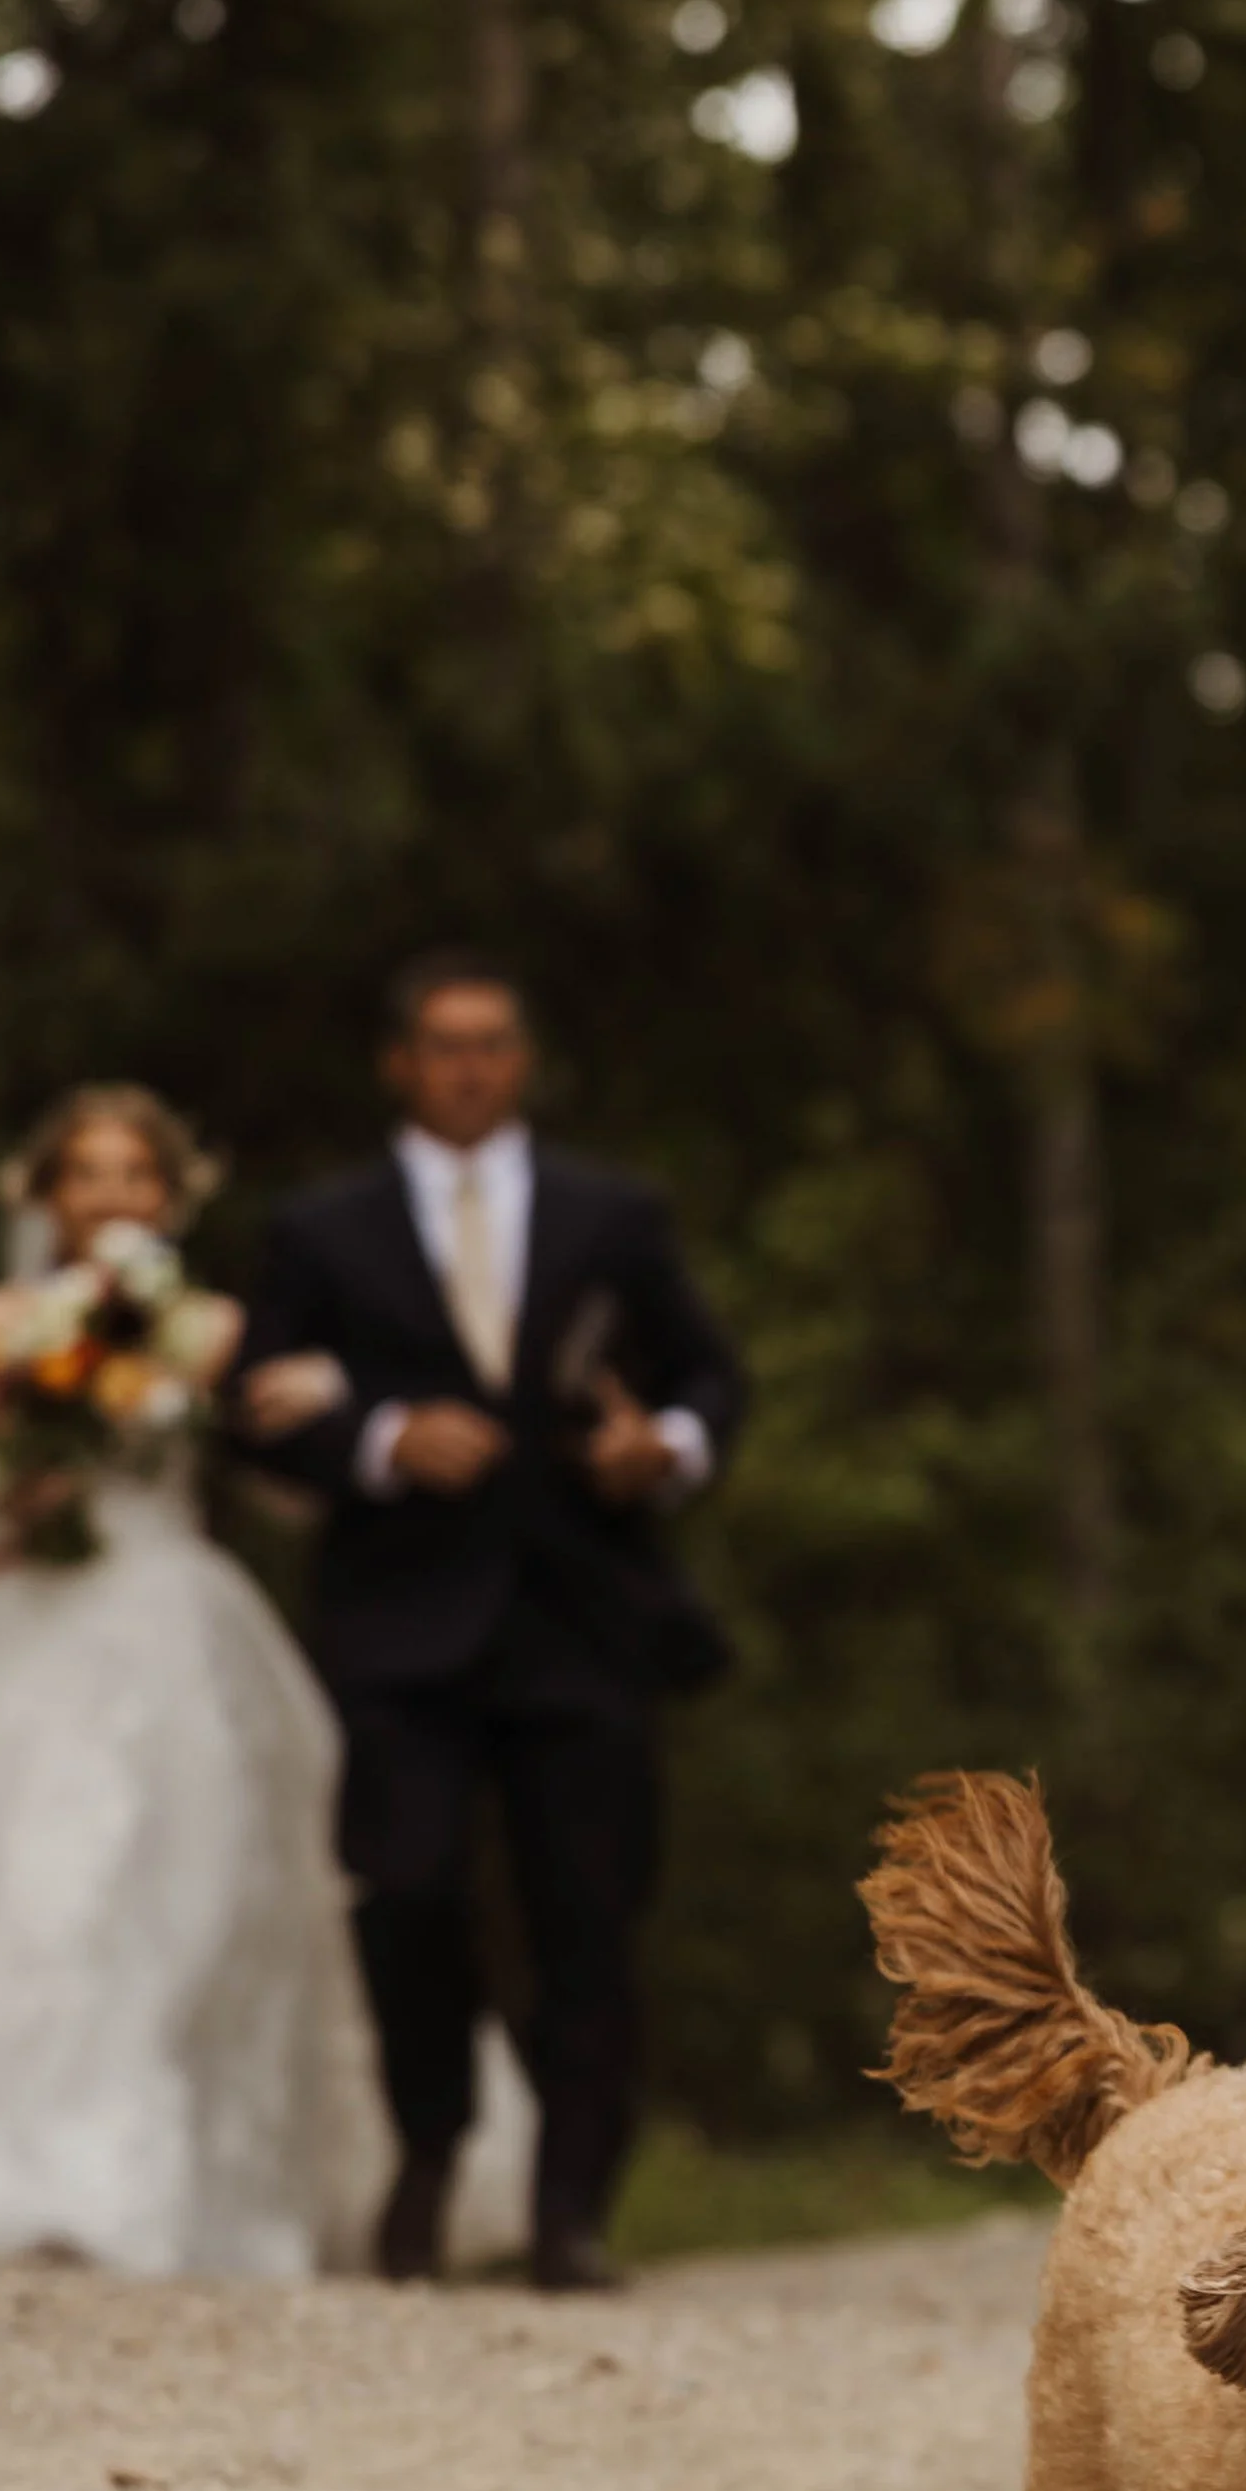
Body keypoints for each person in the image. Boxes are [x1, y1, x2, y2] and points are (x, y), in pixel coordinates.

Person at [234, 957, 745, 2292]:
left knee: (589, 1909)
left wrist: (666, 1444)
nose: (470, 1066)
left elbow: (709, 1373)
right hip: (400, 1619)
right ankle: (429, 2145)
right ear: (399, 1062)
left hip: (581, 1613)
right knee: (404, 1891)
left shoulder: (612, 1212)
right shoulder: (321, 1227)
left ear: (521, 1059)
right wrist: (389, 1436)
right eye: (444, 1045)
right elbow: (256, 1399)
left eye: (494, 1043)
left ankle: (571, 2207)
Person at [0, 1087, 399, 2278]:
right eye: (87, 1173)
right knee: (29, 1877)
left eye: (134, 1174)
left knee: (179, 1882)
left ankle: (158, 2175)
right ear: (46, 1194)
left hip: (167, 1616)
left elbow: (282, 1477)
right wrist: (9, 1478)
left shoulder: (207, 1329)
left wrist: (323, 1403)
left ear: (169, 1194)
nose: (111, 1196)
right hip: (26, 1622)